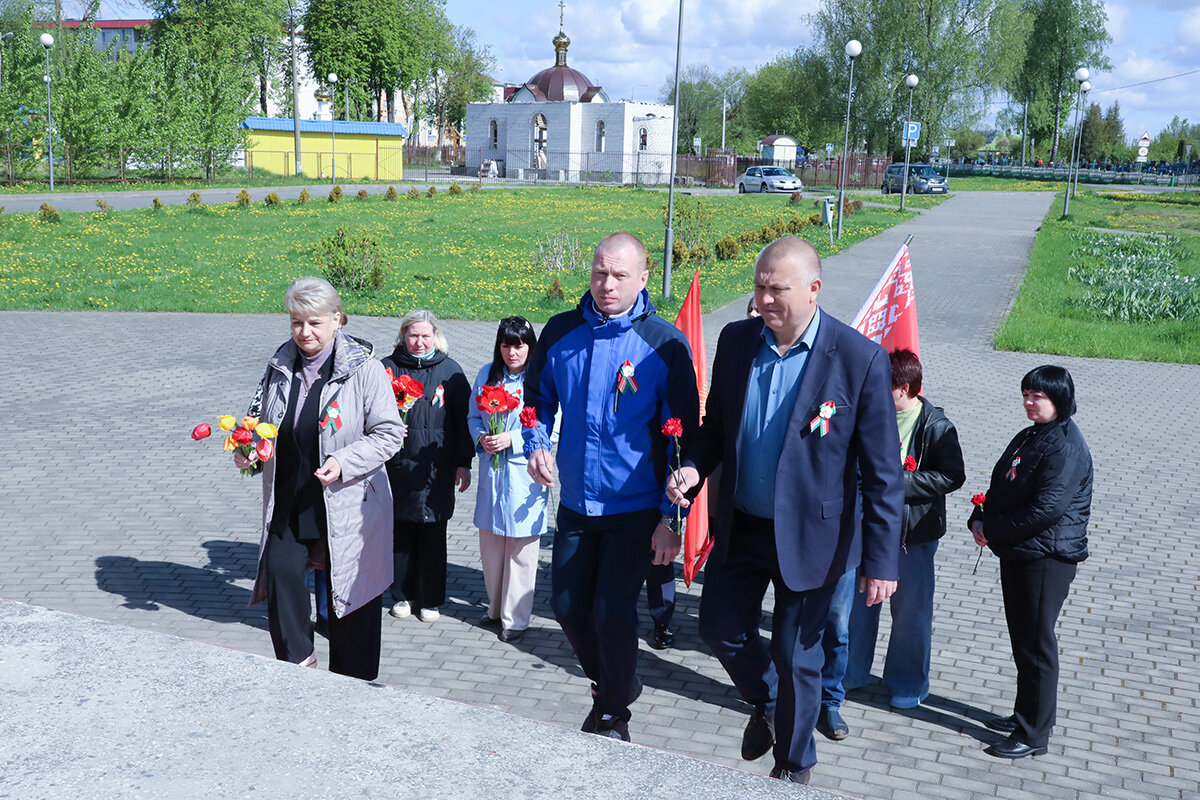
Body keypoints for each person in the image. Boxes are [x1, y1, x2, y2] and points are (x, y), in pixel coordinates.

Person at [667, 237, 903, 785]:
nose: (764, 299)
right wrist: (695, 467)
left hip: (814, 538)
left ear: (814, 289)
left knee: (799, 656)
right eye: (758, 286)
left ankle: (793, 768)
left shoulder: (858, 359)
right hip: (743, 524)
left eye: (777, 289)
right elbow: (716, 428)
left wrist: (882, 561)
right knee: (719, 629)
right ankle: (769, 701)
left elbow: (885, 474)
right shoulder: (737, 339)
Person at [524, 232, 699, 742]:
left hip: (636, 506)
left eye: (620, 275)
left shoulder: (664, 343)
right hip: (577, 502)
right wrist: (536, 442)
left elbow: (682, 440)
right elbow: (537, 397)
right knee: (568, 607)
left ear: (644, 278)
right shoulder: (560, 332)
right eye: (600, 272)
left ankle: (613, 713)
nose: (607, 284)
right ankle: (615, 684)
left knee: (611, 610)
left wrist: (673, 523)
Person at [241, 276, 404, 681]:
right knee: (280, 576)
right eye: (296, 322)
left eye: (314, 322)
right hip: (292, 497)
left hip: (350, 503)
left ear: (337, 320)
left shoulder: (365, 370)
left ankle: (352, 688)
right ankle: (302, 672)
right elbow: (262, 421)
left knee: (353, 599)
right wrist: (249, 450)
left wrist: (344, 461)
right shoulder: (279, 364)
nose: (305, 332)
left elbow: (390, 433)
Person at [970, 365, 1092, 760]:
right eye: (1025, 394)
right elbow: (1005, 482)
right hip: (1022, 550)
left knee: (1037, 646)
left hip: (1046, 557)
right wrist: (981, 515)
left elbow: (1045, 510)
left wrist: (993, 529)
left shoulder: (1066, 447)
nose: (1028, 402)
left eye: (1037, 396)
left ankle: (1033, 734)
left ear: (1059, 399)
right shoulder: (1032, 435)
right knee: (1024, 641)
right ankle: (1025, 714)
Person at [842, 349, 965, 709]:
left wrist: (899, 483)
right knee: (859, 606)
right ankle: (850, 673)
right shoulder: (869, 415)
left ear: (905, 389)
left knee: (911, 613)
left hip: (914, 536)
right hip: (867, 527)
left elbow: (952, 475)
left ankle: (907, 683)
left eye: (886, 387)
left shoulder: (936, 426)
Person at [381, 310, 473, 624]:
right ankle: (403, 595)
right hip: (398, 465)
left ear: (435, 336)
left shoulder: (451, 371)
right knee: (401, 532)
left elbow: (464, 422)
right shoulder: (386, 368)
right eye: (413, 335)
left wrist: (464, 463)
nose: (419, 342)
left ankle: (431, 598)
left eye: (425, 335)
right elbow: (367, 412)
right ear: (403, 336)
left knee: (433, 532)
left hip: (438, 468)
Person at [467, 316, 553, 644]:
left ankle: (516, 619)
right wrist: (481, 437)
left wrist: (513, 440)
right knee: (491, 547)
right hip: (493, 471)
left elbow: (551, 427)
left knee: (521, 548)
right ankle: (495, 608)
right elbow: (474, 416)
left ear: (530, 346)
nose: (512, 352)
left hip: (524, 474)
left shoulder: (540, 381)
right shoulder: (487, 375)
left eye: (519, 345)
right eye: (506, 345)